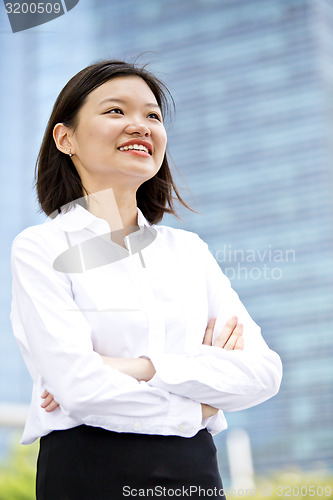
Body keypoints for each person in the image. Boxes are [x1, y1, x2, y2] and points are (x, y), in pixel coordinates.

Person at [10, 60, 282, 500]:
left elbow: (264, 373)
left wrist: (138, 367)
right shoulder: (42, 248)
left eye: (152, 116)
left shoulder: (188, 251)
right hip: (88, 473)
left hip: (196, 474)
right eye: (116, 111)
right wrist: (200, 402)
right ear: (66, 138)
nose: (139, 126)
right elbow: (80, 389)